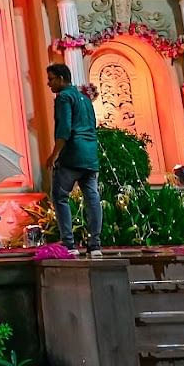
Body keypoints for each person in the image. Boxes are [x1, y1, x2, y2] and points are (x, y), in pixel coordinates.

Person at [46, 63, 103, 257]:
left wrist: (54, 155)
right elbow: (92, 125)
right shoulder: (85, 98)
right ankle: (95, 245)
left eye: (51, 78)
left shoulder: (63, 97)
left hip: (72, 154)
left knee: (60, 197)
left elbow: (64, 129)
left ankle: (69, 243)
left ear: (62, 78)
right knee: (92, 198)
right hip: (91, 155)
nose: (48, 83)